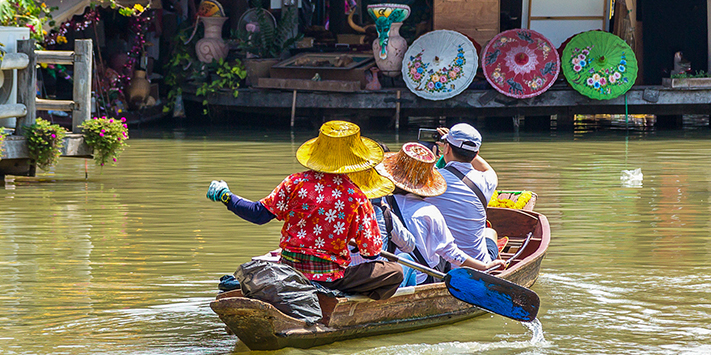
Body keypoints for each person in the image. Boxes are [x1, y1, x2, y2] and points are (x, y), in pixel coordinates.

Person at [206, 120, 403, 299]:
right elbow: (371, 253)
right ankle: (339, 296)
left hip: (289, 271)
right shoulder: (357, 198)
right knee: (395, 272)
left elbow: (258, 214)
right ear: (354, 160)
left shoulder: (294, 182)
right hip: (330, 278)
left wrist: (226, 196)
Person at [373, 142, 499, 288]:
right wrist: (484, 267)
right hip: (424, 278)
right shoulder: (429, 212)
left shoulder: (381, 204)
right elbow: (452, 254)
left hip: (396, 272)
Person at [424, 123, 500, 265]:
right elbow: (486, 168)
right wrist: (459, 147)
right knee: (490, 232)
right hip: (480, 264)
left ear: (446, 149)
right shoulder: (487, 180)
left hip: (443, 265)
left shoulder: (431, 179)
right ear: (476, 154)